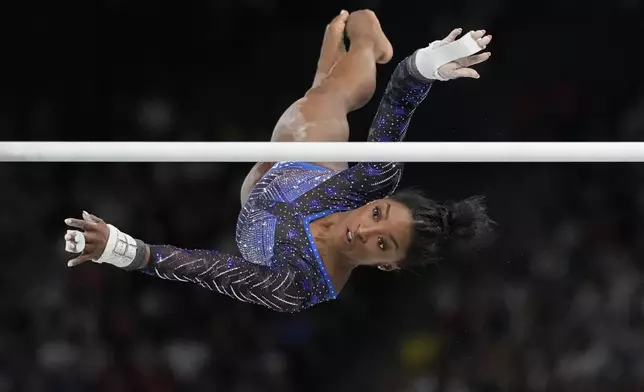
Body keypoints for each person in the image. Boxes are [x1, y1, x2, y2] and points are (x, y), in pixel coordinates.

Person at [63, 10, 494, 312]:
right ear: (376, 200)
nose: (363, 228)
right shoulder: (375, 180)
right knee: (323, 102)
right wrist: (431, 63)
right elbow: (401, 91)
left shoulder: (300, 285)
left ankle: (324, 75)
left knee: (311, 102)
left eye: (383, 243)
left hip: (258, 192)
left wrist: (122, 250)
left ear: (389, 264)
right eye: (378, 214)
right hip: (309, 158)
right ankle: (367, 37)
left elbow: (213, 270)